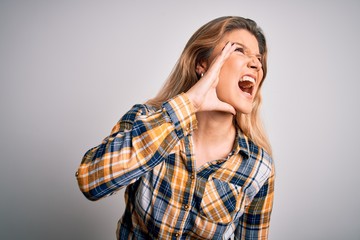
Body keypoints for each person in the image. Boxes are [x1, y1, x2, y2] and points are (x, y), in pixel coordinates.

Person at [76, 16, 275, 240]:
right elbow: (89, 181)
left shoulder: (258, 167)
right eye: (239, 50)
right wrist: (188, 104)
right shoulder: (146, 120)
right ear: (202, 64)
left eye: (258, 59)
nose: (257, 65)